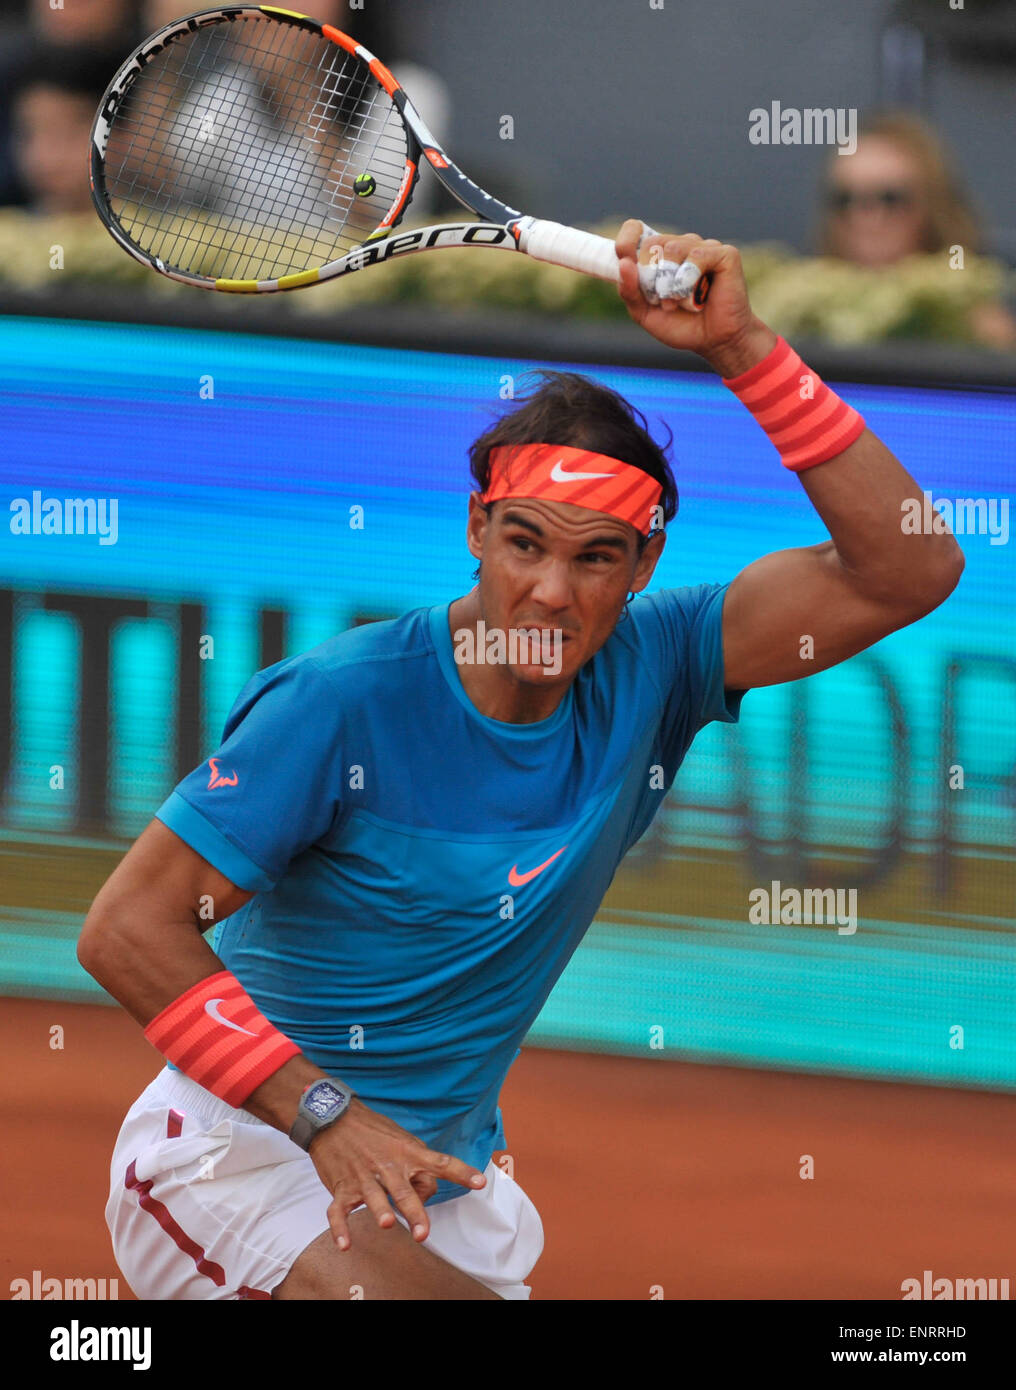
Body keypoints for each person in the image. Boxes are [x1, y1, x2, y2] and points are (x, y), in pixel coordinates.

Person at [79, 223, 964, 1300]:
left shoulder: (662, 663)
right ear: (475, 529)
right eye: (524, 543)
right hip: (241, 1149)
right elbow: (126, 926)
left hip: (434, 1186)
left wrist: (745, 353)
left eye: (595, 557)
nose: (551, 591)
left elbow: (908, 566)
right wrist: (327, 1117)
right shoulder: (341, 701)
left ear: (644, 563)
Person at [816, 109, 1016, 347]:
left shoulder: (978, 329)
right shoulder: (807, 319)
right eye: (845, 199)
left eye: (890, 198)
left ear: (933, 207)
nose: (864, 219)